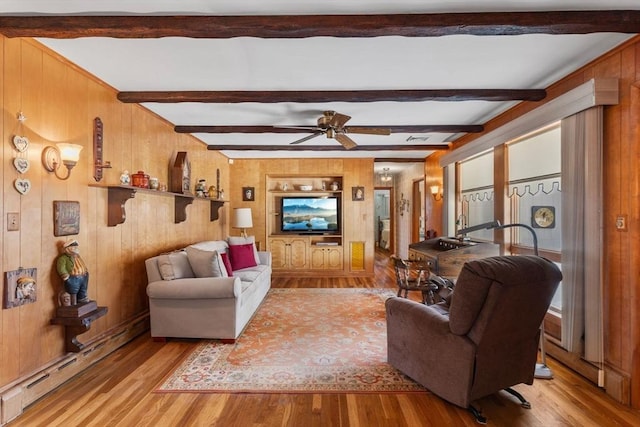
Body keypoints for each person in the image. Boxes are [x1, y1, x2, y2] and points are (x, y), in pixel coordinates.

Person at [56, 240, 89, 305]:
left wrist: (86, 271)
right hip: (74, 277)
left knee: (83, 289)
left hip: (83, 276)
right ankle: (73, 303)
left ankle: (82, 299)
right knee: (73, 290)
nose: (76, 248)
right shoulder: (64, 258)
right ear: (68, 248)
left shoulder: (77, 256)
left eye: (76, 247)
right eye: (74, 247)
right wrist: (65, 276)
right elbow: (61, 267)